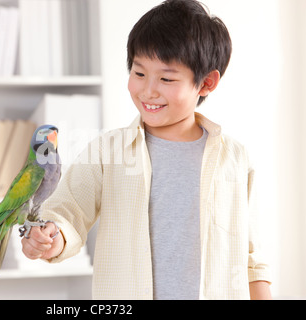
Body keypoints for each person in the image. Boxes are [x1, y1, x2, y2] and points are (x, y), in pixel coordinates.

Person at [21, 0, 272, 300]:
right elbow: (68, 211)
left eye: (166, 78)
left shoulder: (235, 159)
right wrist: (52, 237)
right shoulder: (107, 151)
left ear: (206, 83)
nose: (148, 90)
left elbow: (252, 261)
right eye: (139, 73)